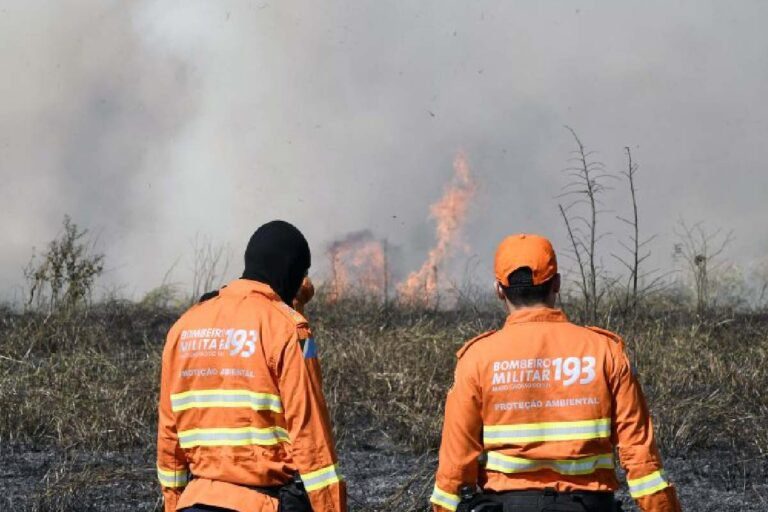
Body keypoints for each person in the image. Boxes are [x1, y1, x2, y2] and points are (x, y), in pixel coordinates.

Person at [431, 234, 681, 512]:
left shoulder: (477, 359)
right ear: (557, 283)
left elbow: (454, 469)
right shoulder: (604, 352)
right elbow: (641, 460)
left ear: (499, 290)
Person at [157, 220, 346, 512]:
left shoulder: (183, 328)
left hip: (194, 501)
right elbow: (313, 445)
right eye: (301, 274)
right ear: (290, 271)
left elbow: (170, 442)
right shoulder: (288, 331)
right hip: (263, 503)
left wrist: (174, 504)